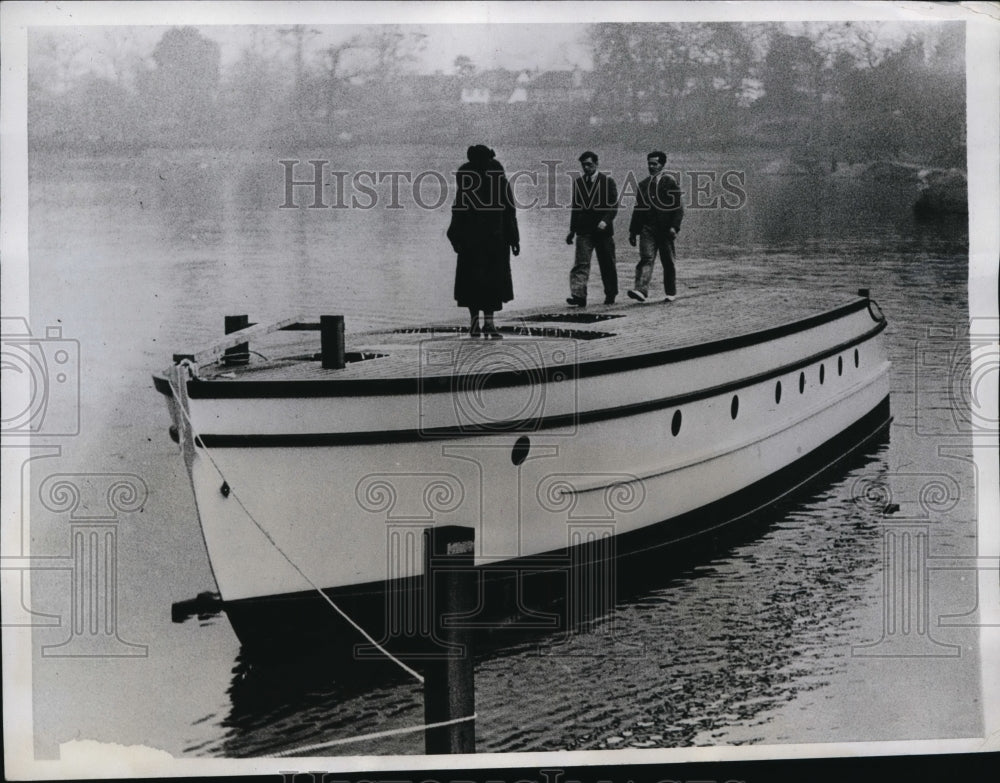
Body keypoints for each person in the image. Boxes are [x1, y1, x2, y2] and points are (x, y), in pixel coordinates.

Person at [447, 145, 520, 339]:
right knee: (492, 283)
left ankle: (476, 325)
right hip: (495, 241)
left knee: (472, 284)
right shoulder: (498, 178)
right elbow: (509, 211)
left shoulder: (467, 180)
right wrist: (514, 239)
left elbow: (458, 210)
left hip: (472, 243)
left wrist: (455, 237)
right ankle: (488, 324)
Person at [627, 150, 684, 303]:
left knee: (668, 261)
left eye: (655, 164)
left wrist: (674, 227)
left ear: (662, 165)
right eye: (649, 164)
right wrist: (633, 232)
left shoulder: (670, 182)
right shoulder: (643, 185)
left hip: (665, 229)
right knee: (646, 258)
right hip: (648, 229)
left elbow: (678, 208)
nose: (651, 167)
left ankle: (670, 292)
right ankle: (641, 290)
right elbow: (638, 210)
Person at [565, 151, 619, 307]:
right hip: (584, 230)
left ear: (596, 164)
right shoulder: (579, 183)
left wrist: (605, 221)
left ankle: (610, 294)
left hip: (603, 231)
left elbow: (613, 206)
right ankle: (579, 296)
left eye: (589, 164)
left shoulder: (608, 182)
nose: (586, 168)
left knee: (607, 263)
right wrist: (572, 230)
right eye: (583, 165)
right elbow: (576, 208)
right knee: (581, 264)